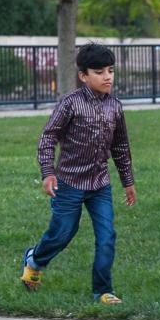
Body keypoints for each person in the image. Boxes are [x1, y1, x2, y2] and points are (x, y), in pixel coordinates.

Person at [20, 43, 137, 304]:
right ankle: (34, 259)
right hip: (69, 183)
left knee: (107, 236)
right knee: (63, 233)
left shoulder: (115, 107)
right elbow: (48, 137)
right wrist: (48, 173)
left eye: (111, 70)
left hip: (100, 185)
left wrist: (127, 181)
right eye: (99, 72)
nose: (107, 76)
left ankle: (103, 291)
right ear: (83, 76)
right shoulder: (70, 104)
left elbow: (120, 146)